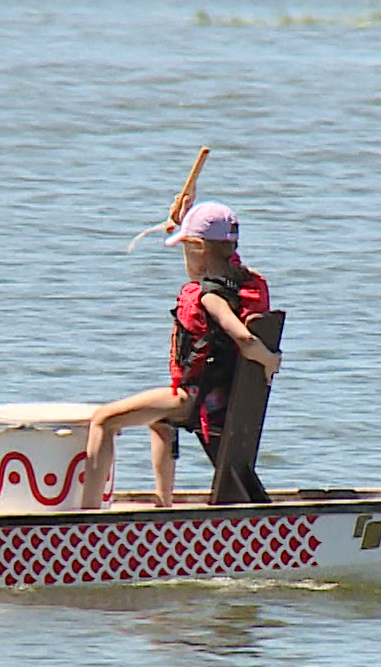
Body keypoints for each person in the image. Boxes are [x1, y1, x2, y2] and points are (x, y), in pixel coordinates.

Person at [80, 200, 279, 509]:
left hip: (196, 401)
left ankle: (87, 516)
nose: (184, 258)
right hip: (222, 397)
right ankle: (163, 503)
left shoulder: (211, 296)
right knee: (159, 422)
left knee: (102, 420)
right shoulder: (245, 281)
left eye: (186, 249)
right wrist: (186, 213)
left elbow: (245, 340)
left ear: (198, 247)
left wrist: (270, 360)